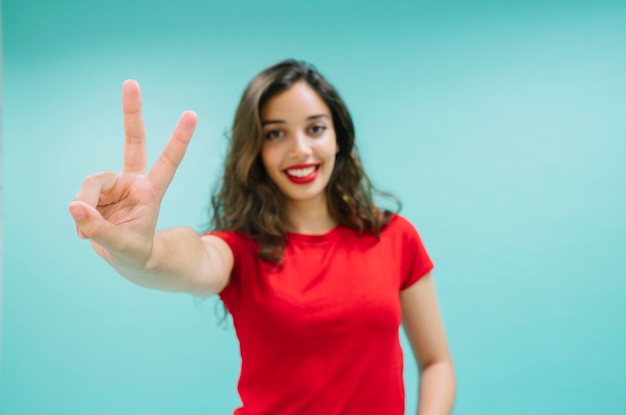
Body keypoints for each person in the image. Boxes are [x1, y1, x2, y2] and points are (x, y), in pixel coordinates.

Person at [68, 60, 456, 415]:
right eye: (275, 134)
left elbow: (436, 363)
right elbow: (192, 256)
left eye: (316, 128)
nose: (300, 149)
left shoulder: (395, 237)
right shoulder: (240, 251)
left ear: (339, 137)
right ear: (255, 150)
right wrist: (143, 252)